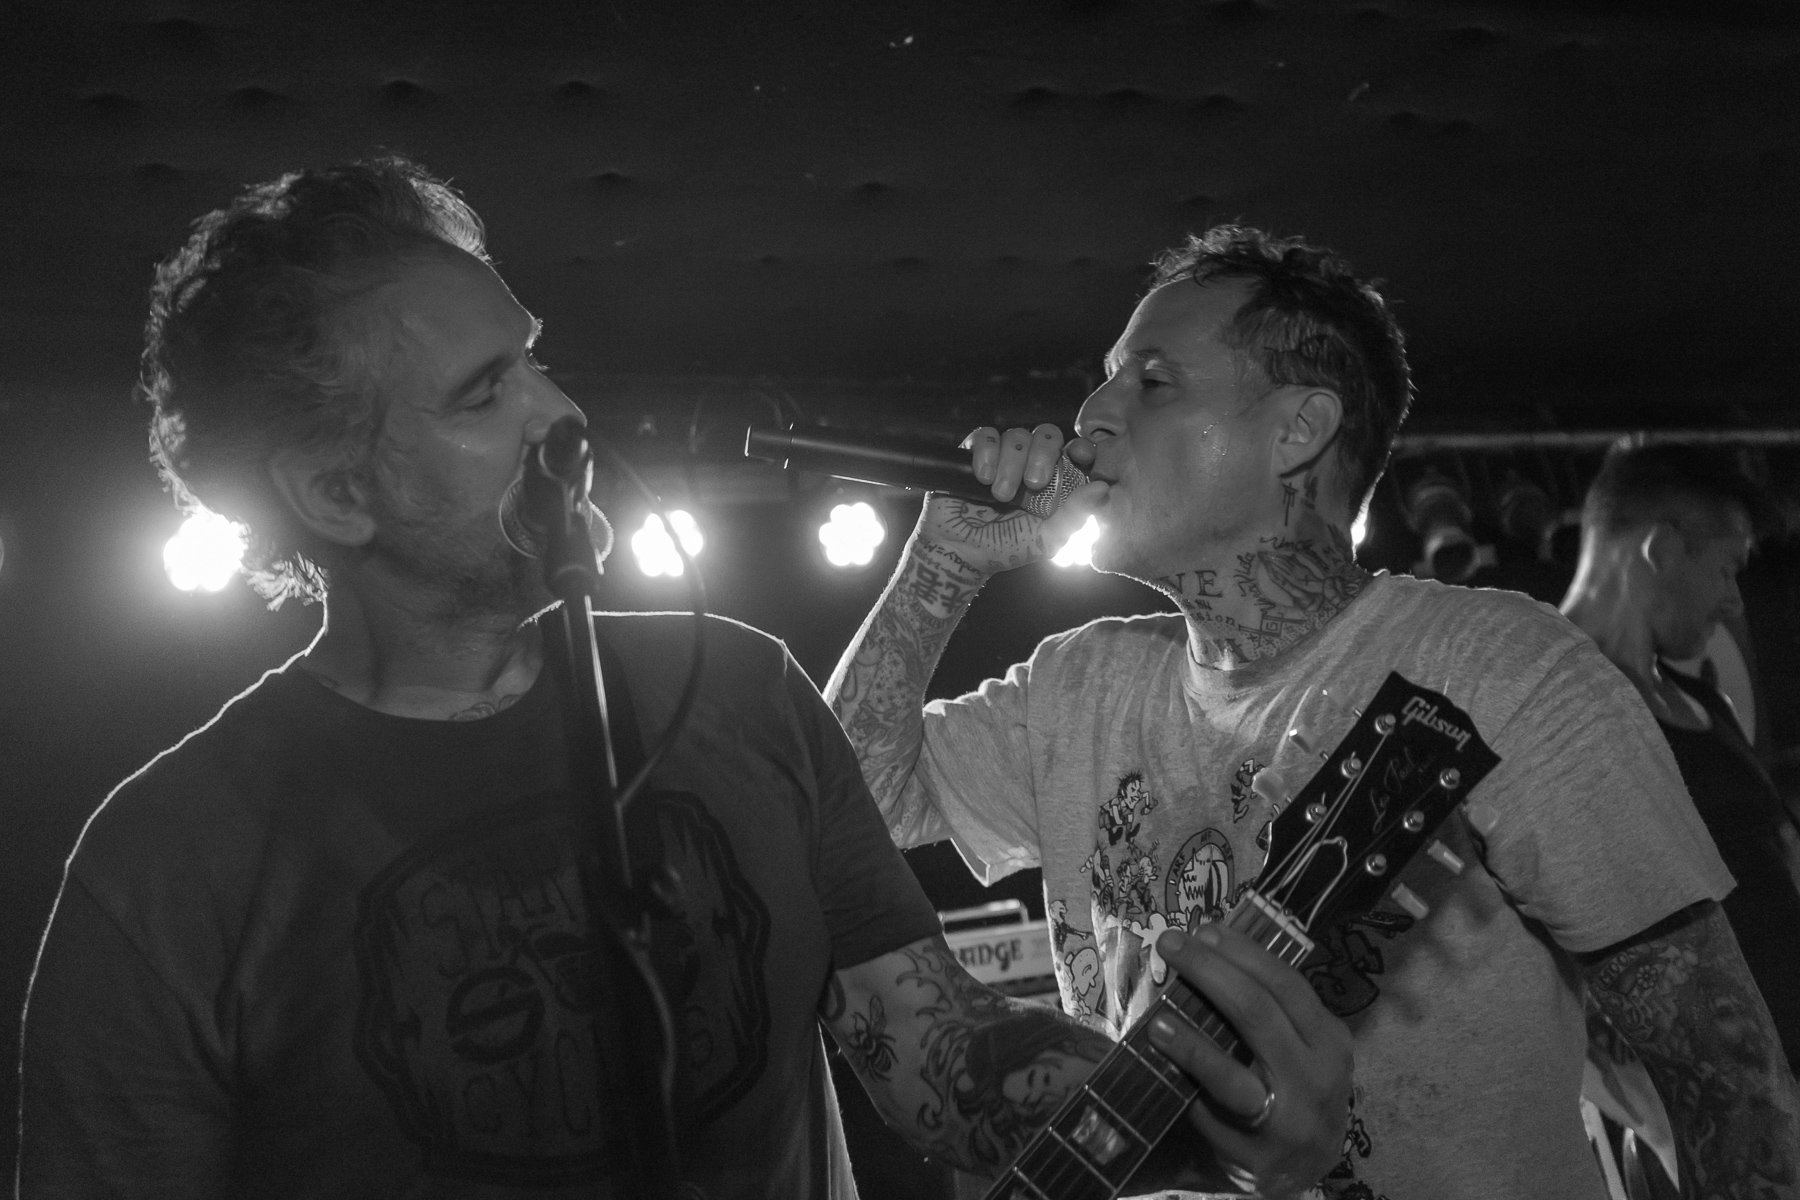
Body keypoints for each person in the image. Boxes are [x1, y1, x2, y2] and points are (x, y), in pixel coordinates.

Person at [15, 159, 1353, 1199]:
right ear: (336, 492)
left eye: (535, 359)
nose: (558, 413)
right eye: (484, 394)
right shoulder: (169, 863)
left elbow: (941, 1062)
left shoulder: (738, 696)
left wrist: (1199, 1126)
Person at [827, 225, 1800, 1199]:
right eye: (1107, 377)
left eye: (1152, 382)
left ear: (1299, 430)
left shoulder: (1503, 670)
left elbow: (1729, 1081)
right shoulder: (1078, 682)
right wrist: (940, 567)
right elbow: (842, 820)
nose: (1091, 413)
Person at [1561, 441, 1800, 1192]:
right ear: (1662, 549)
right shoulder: (1549, 708)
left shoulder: (1701, 701)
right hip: (1710, 1131)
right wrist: (1660, 1119)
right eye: (1728, 568)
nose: (1735, 600)